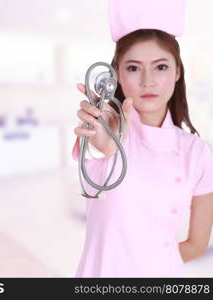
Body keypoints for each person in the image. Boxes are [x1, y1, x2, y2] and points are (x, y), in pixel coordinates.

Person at [72, 0, 213, 277]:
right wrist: (102, 142)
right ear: (117, 76)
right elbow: (97, 149)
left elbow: (197, 245)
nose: (148, 80)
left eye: (160, 67)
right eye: (134, 68)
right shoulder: (105, 128)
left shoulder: (196, 153)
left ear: (177, 72)